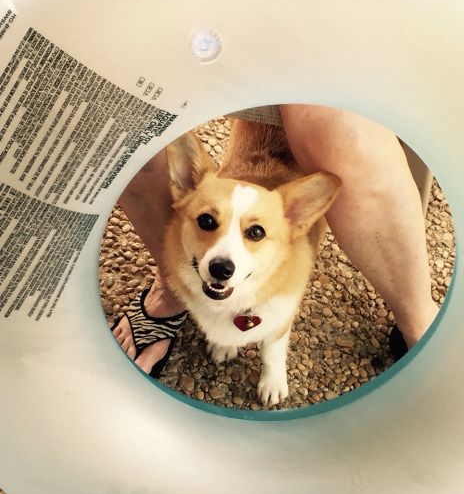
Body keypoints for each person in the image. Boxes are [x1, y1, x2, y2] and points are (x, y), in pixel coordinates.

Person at [111, 105, 438, 376]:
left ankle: (418, 318)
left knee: (344, 136)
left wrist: (274, 369)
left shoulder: (288, 212)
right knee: (117, 115)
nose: (223, 256)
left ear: (295, 218)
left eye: (254, 234)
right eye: (208, 222)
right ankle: (172, 290)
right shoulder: (198, 192)